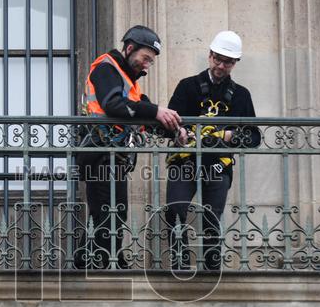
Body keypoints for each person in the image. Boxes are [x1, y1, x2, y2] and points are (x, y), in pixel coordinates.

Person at [77, 25, 182, 268]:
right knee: (106, 212)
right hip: (99, 153)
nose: (147, 65)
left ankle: (99, 259)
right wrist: (156, 111)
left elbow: (144, 117)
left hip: (113, 155)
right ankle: (101, 263)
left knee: (115, 211)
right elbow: (113, 105)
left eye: (151, 62)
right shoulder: (106, 68)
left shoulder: (128, 82)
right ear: (130, 49)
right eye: (145, 58)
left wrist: (175, 130)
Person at [165, 30, 261, 271]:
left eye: (227, 62)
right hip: (184, 160)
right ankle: (180, 262)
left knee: (211, 216)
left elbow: (253, 136)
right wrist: (178, 133)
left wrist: (231, 136)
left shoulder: (241, 95)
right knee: (175, 210)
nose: (220, 65)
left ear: (235, 63)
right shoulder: (187, 87)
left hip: (218, 164)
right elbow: (167, 125)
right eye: (217, 59)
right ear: (209, 56)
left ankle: (212, 266)